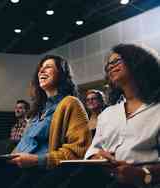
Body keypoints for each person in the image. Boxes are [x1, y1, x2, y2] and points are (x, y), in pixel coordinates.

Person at [0, 55, 91, 188]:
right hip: (16, 167)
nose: (41, 71)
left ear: (62, 74)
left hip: (40, 171)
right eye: (40, 69)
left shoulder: (71, 103)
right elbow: (22, 147)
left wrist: (37, 160)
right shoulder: (36, 111)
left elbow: (78, 152)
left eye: (48, 67)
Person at [66, 43, 160, 188]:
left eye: (116, 61)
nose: (110, 66)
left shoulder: (157, 109)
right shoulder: (108, 114)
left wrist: (144, 174)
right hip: (105, 177)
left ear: (139, 62)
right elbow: (94, 148)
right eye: (108, 65)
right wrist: (97, 157)